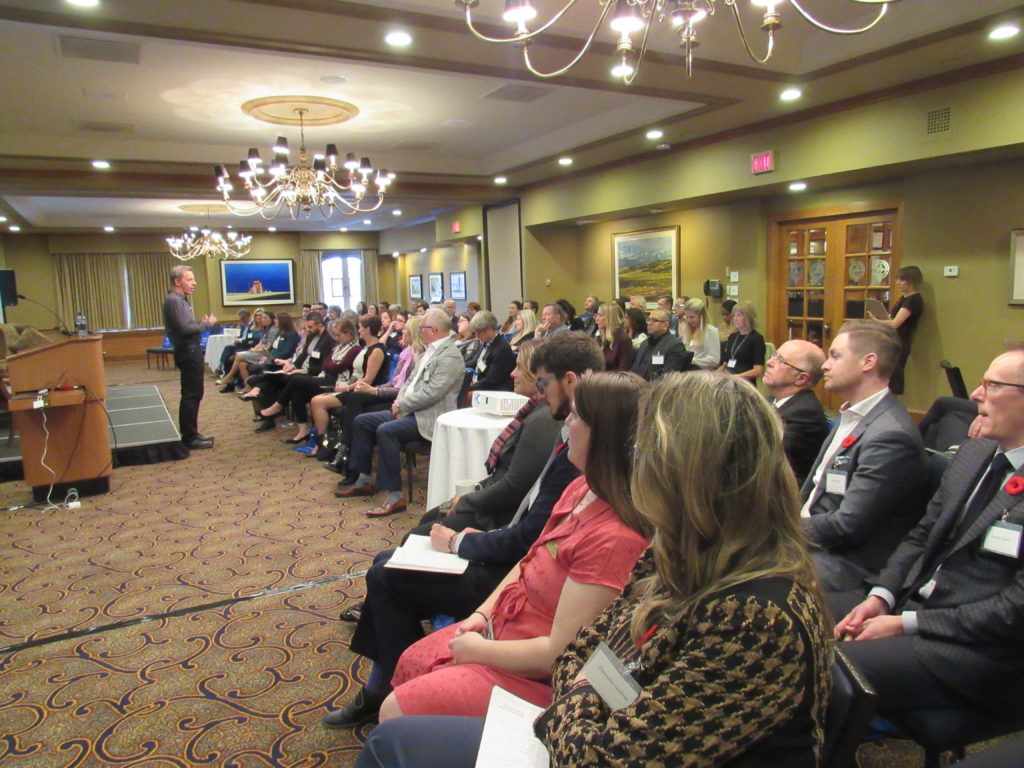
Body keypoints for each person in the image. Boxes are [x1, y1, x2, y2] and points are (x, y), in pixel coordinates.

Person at [355, 370, 832, 768]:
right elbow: (587, 651)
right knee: (397, 736)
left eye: (646, 450)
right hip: (593, 718)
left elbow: (602, 754)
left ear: (688, 476)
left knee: (391, 746)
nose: (634, 462)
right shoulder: (684, 554)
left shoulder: (755, 613)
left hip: (588, 739)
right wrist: (589, 687)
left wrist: (580, 696)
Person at [323, 332, 603, 728]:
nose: (536, 392)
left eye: (541, 384)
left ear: (570, 381)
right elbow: (530, 527)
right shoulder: (568, 435)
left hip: (513, 576)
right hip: (515, 567)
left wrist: (461, 541)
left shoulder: (572, 446)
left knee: (386, 574)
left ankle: (387, 690)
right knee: (390, 563)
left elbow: (527, 539)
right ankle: (388, 683)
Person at [376, 371, 651, 721]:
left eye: (576, 415)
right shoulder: (581, 488)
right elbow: (528, 560)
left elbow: (560, 654)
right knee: (412, 660)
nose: (566, 422)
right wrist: (481, 615)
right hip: (507, 627)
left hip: (538, 676)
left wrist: (481, 651)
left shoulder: (616, 537)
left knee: (395, 710)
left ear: (605, 435)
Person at [832, 344, 1024, 722]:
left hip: (979, 651)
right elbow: (921, 535)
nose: (975, 395)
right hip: (911, 604)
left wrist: (905, 624)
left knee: (824, 668)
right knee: (789, 619)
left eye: (993, 385)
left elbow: (1014, 612)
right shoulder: (976, 452)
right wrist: (882, 597)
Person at [801, 320, 927, 591]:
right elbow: (814, 492)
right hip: (813, 540)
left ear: (868, 362)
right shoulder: (853, 415)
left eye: (835, 356)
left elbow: (847, 526)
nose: (824, 365)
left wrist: (780, 532)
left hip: (847, 564)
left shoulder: (890, 435)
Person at [412, 339, 561, 534]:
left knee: (416, 535)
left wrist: (467, 500)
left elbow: (513, 487)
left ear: (536, 374)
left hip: (499, 516)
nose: (512, 373)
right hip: (495, 503)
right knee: (429, 518)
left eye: (518, 367)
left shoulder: (542, 420)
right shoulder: (536, 411)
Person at [338, 309, 465, 517]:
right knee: (362, 421)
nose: (419, 332)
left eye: (422, 328)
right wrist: (398, 402)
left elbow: (432, 393)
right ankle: (363, 480)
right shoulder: (428, 351)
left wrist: (403, 406)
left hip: (429, 417)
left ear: (432, 330)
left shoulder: (450, 356)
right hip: (411, 410)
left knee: (387, 431)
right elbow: (408, 383)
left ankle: (395, 497)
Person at [314, 316, 423, 466]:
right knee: (354, 404)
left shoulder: (418, 358)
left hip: (399, 401)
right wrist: (374, 389)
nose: (402, 331)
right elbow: (393, 382)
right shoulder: (406, 353)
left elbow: (401, 390)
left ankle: (345, 453)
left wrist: (373, 390)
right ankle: (346, 455)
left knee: (355, 404)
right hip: (388, 393)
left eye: (406, 329)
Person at [257, 317, 360, 441]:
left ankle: (278, 405)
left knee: (295, 379)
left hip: (335, 382)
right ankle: (303, 431)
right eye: (335, 335)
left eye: (338, 335)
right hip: (325, 376)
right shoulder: (340, 346)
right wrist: (331, 364)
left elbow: (338, 367)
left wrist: (331, 364)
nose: (336, 338)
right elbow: (326, 363)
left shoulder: (355, 349)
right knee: (297, 393)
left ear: (349, 333)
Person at [162, 265, 217, 449]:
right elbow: (185, 329)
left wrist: (198, 324)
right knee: (191, 395)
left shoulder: (180, 300)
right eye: (190, 279)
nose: (194, 283)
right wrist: (206, 325)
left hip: (189, 350)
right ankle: (190, 437)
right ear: (178, 281)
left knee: (194, 394)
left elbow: (186, 325)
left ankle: (192, 433)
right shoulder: (174, 301)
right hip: (188, 351)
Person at [763, 339, 831, 486]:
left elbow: (762, 456)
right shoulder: (771, 399)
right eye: (775, 355)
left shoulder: (804, 413)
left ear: (801, 378)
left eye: (781, 361)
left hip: (784, 494)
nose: (769, 362)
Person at [869, 265, 924, 396]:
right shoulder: (904, 298)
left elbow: (895, 323)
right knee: (886, 376)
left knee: (894, 378)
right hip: (892, 340)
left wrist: (876, 321)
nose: (898, 283)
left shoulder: (914, 300)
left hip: (900, 342)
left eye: (901, 280)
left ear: (911, 281)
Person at [630, 308, 690, 381]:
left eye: (654, 320)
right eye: (648, 320)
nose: (649, 323)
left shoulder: (675, 346)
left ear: (665, 325)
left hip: (656, 388)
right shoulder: (644, 343)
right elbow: (634, 369)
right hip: (637, 386)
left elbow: (668, 377)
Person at [466, 311, 517, 394]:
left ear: (489, 330)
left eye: (478, 332)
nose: (476, 336)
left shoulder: (501, 349)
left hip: (494, 391)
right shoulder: (485, 343)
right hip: (480, 384)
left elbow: (491, 380)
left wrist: (469, 388)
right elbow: (474, 362)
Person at [718, 300, 765, 382]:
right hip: (729, 378)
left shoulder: (756, 338)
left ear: (748, 317)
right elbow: (726, 362)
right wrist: (718, 372)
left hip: (744, 382)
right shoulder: (732, 337)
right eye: (734, 316)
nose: (735, 319)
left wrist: (735, 377)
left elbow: (758, 370)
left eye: (739, 315)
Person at [679, 297, 720, 370]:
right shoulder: (687, 331)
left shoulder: (711, 332)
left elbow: (714, 360)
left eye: (692, 317)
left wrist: (692, 360)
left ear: (702, 316)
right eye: (687, 317)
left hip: (702, 373)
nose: (689, 320)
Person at [594, 301, 633, 371]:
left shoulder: (623, 340)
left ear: (610, 318)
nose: (596, 319)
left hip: (612, 381)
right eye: (597, 315)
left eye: (600, 315)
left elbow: (623, 371)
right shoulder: (598, 339)